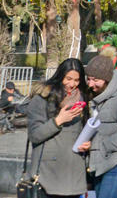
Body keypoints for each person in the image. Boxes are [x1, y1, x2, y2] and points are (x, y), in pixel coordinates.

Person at [77, 54, 117, 198]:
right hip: (98, 163)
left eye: (96, 80)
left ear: (107, 80)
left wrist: (104, 144)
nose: (91, 84)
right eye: (89, 79)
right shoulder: (93, 97)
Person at [26, 58, 90, 198]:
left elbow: (86, 130)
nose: (72, 84)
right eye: (68, 78)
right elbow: (35, 135)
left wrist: (88, 143)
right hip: (47, 175)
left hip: (73, 174)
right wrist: (58, 121)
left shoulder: (83, 99)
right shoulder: (42, 98)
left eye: (76, 80)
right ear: (60, 76)